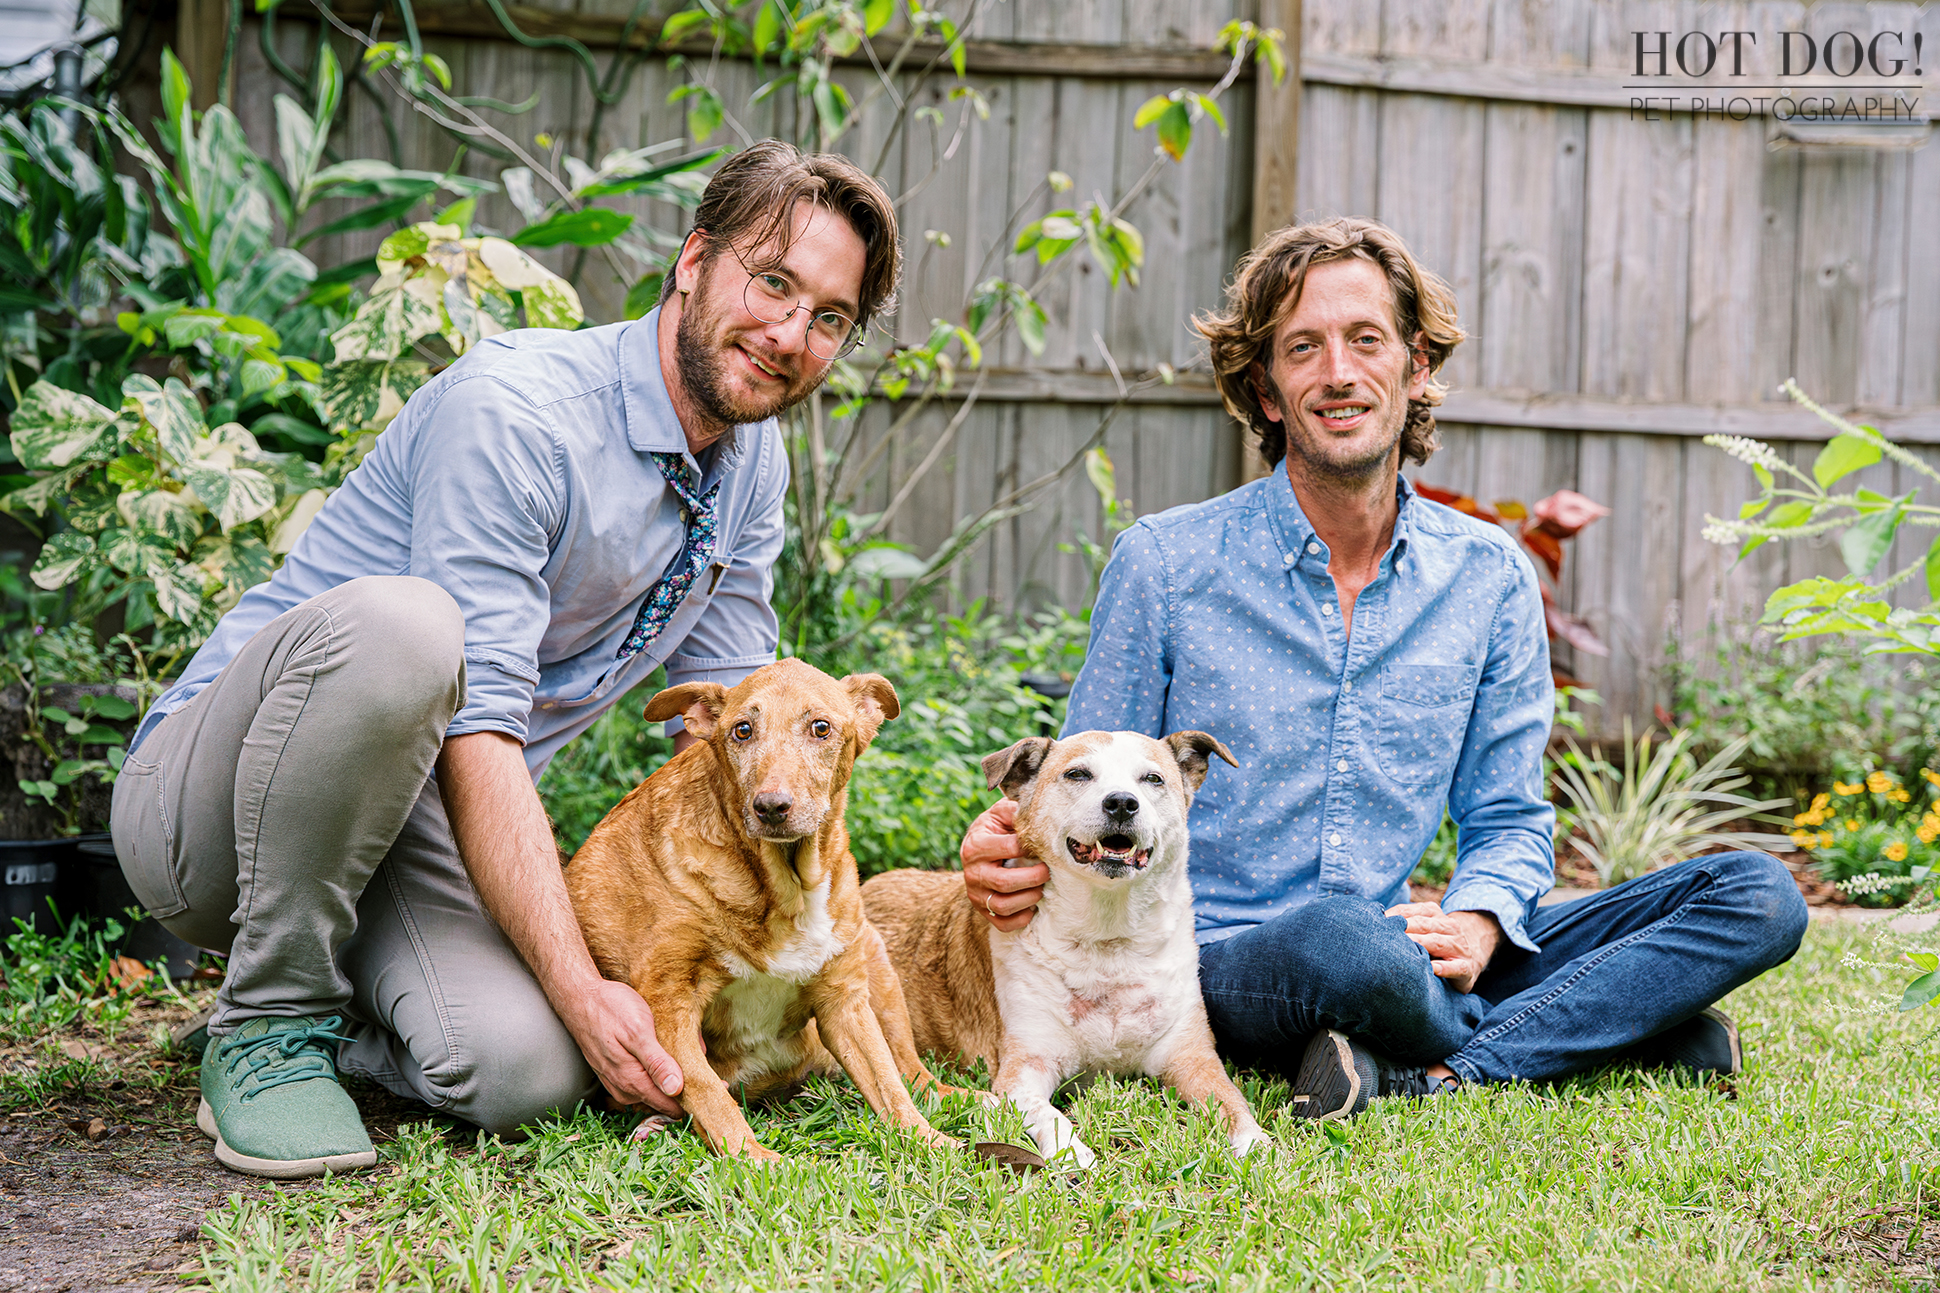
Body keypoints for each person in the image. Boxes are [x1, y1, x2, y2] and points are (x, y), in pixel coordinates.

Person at [110, 141, 900, 1177]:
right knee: (410, 632)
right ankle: (265, 1023)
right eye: (771, 281)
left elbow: (733, 734)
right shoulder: (518, 412)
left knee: (529, 1073)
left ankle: (351, 1018)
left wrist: (773, 935)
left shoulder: (750, 464)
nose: (790, 332)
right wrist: (577, 978)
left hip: (415, 830)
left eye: (829, 317)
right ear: (694, 260)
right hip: (217, 817)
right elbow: (480, 724)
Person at [960, 216, 1807, 1117]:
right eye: (1302, 348)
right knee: (1340, 939)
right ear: (1268, 388)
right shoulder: (1166, 564)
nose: (1339, 371)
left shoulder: (1488, 577)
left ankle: (1429, 1063)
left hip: (1413, 950)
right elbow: (1081, 782)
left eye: (1367, 340)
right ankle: (1616, 1028)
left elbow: (1511, 817)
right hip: (1216, 955)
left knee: (1757, 894)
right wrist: (998, 842)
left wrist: (1480, 919)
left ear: (1417, 367)